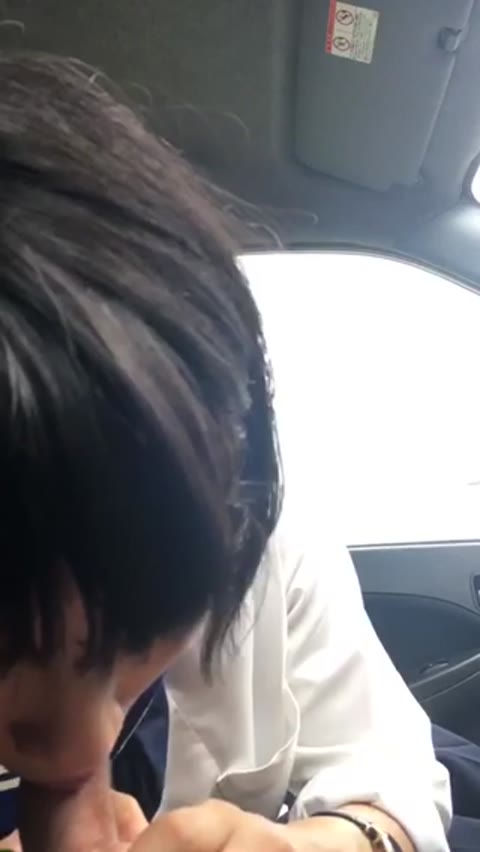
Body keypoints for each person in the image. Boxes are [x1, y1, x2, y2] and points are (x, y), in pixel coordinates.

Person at [0, 52, 451, 852]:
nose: (82, 746)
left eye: (140, 632)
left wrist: (326, 842)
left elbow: (399, 775)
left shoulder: (248, 532)